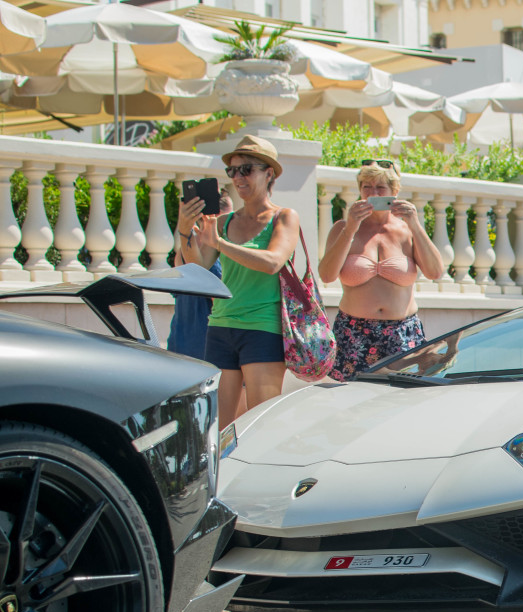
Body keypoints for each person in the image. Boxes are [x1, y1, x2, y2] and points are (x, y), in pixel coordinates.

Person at [174, 135, 300, 429]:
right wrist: (183, 231)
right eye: (233, 170)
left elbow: (272, 262)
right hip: (220, 325)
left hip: (262, 327)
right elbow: (197, 267)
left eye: (247, 169)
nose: (238, 177)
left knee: (259, 426)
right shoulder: (223, 221)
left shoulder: (284, 217)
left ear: (269, 173)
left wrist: (220, 243)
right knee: (217, 429)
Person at [318, 158, 444, 381]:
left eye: (380, 187)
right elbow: (327, 275)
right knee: (350, 405)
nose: (373, 193)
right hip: (353, 333)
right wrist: (350, 229)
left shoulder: (406, 229)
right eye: (366, 187)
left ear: (394, 191)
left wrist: (414, 223)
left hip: (402, 333)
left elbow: (435, 272)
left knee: (400, 403)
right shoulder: (343, 228)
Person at [167, 188, 232, 359]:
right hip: (206, 346)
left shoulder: (186, 247)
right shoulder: (215, 250)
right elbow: (220, 301)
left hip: (180, 342)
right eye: (229, 215)